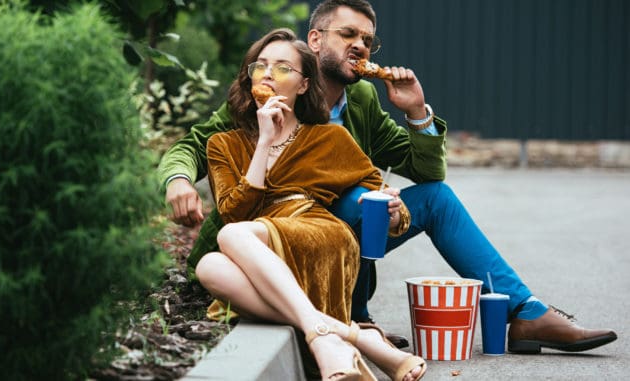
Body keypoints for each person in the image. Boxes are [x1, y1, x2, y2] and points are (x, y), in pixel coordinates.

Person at [159, 0, 617, 354]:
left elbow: (424, 170)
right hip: (260, 243)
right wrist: (178, 179)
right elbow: (195, 145)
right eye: (348, 34)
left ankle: (524, 312)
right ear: (315, 41)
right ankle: (353, 314)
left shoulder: (360, 102)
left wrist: (416, 112)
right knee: (358, 197)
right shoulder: (268, 87)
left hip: (332, 238)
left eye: (367, 39)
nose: (360, 45)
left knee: (430, 198)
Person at [195, 27, 426, 381]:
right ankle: (342, 334)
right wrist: (264, 142)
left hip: (320, 234)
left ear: (304, 85)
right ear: (249, 76)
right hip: (259, 245)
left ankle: (327, 339)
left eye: (284, 68)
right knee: (209, 266)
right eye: (260, 65)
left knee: (231, 239)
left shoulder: (329, 137)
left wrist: (396, 212)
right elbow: (234, 213)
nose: (269, 73)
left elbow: (385, 199)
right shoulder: (223, 145)